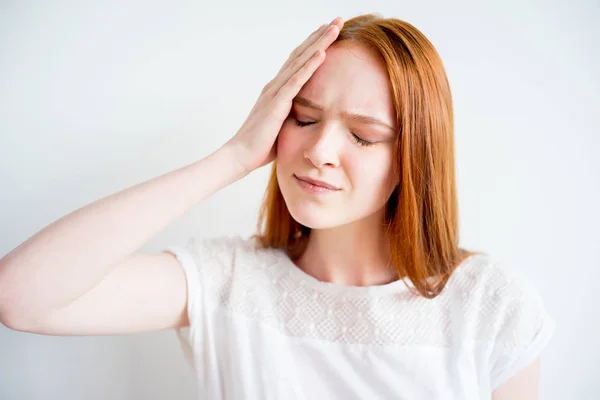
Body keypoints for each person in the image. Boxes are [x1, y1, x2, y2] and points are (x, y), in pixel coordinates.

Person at [0, 13, 555, 400]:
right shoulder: (228, 282)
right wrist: (235, 156)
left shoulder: (491, 305)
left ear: (414, 157)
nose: (319, 152)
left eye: (363, 136)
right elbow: (20, 297)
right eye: (304, 118)